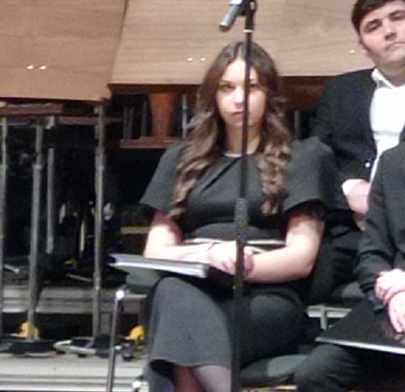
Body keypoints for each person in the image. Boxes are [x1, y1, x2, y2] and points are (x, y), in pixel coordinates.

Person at [136, 41, 334, 392]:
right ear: (213, 96)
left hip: (265, 298)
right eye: (227, 88)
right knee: (174, 295)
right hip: (194, 286)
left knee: (178, 318)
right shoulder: (180, 159)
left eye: (251, 87)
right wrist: (209, 256)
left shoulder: (303, 156)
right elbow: (156, 251)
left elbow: (301, 258)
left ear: (269, 94)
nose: (238, 99)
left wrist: (242, 264)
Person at [292, 105, 405, 392]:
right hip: (392, 304)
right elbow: (371, 253)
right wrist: (396, 295)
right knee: (315, 374)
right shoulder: (395, 160)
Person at [312, 0, 405, 294]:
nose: (389, 31)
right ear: (363, 46)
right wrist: (347, 189)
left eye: (398, 17)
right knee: (304, 278)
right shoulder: (341, 91)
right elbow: (314, 160)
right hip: (353, 231)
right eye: (373, 26)